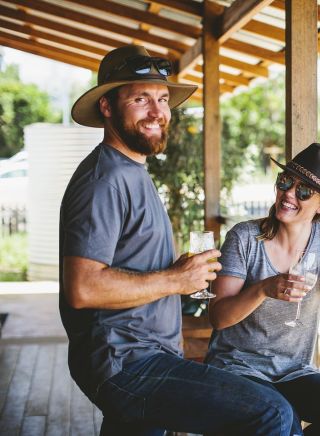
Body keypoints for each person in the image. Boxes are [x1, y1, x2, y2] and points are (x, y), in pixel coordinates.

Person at [59, 44, 295, 436]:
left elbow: (124, 265)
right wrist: (175, 280)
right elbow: (82, 287)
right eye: (140, 99)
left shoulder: (133, 170)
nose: (157, 112)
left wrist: (177, 271)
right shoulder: (105, 180)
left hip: (140, 356)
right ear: (107, 107)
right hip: (129, 362)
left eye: (163, 99)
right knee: (271, 413)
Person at [205, 143, 320, 436]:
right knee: (281, 419)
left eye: (304, 190)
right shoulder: (244, 238)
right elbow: (218, 317)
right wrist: (264, 289)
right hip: (238, 366)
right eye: (285, 182)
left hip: (295, 369)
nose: (289, 194)